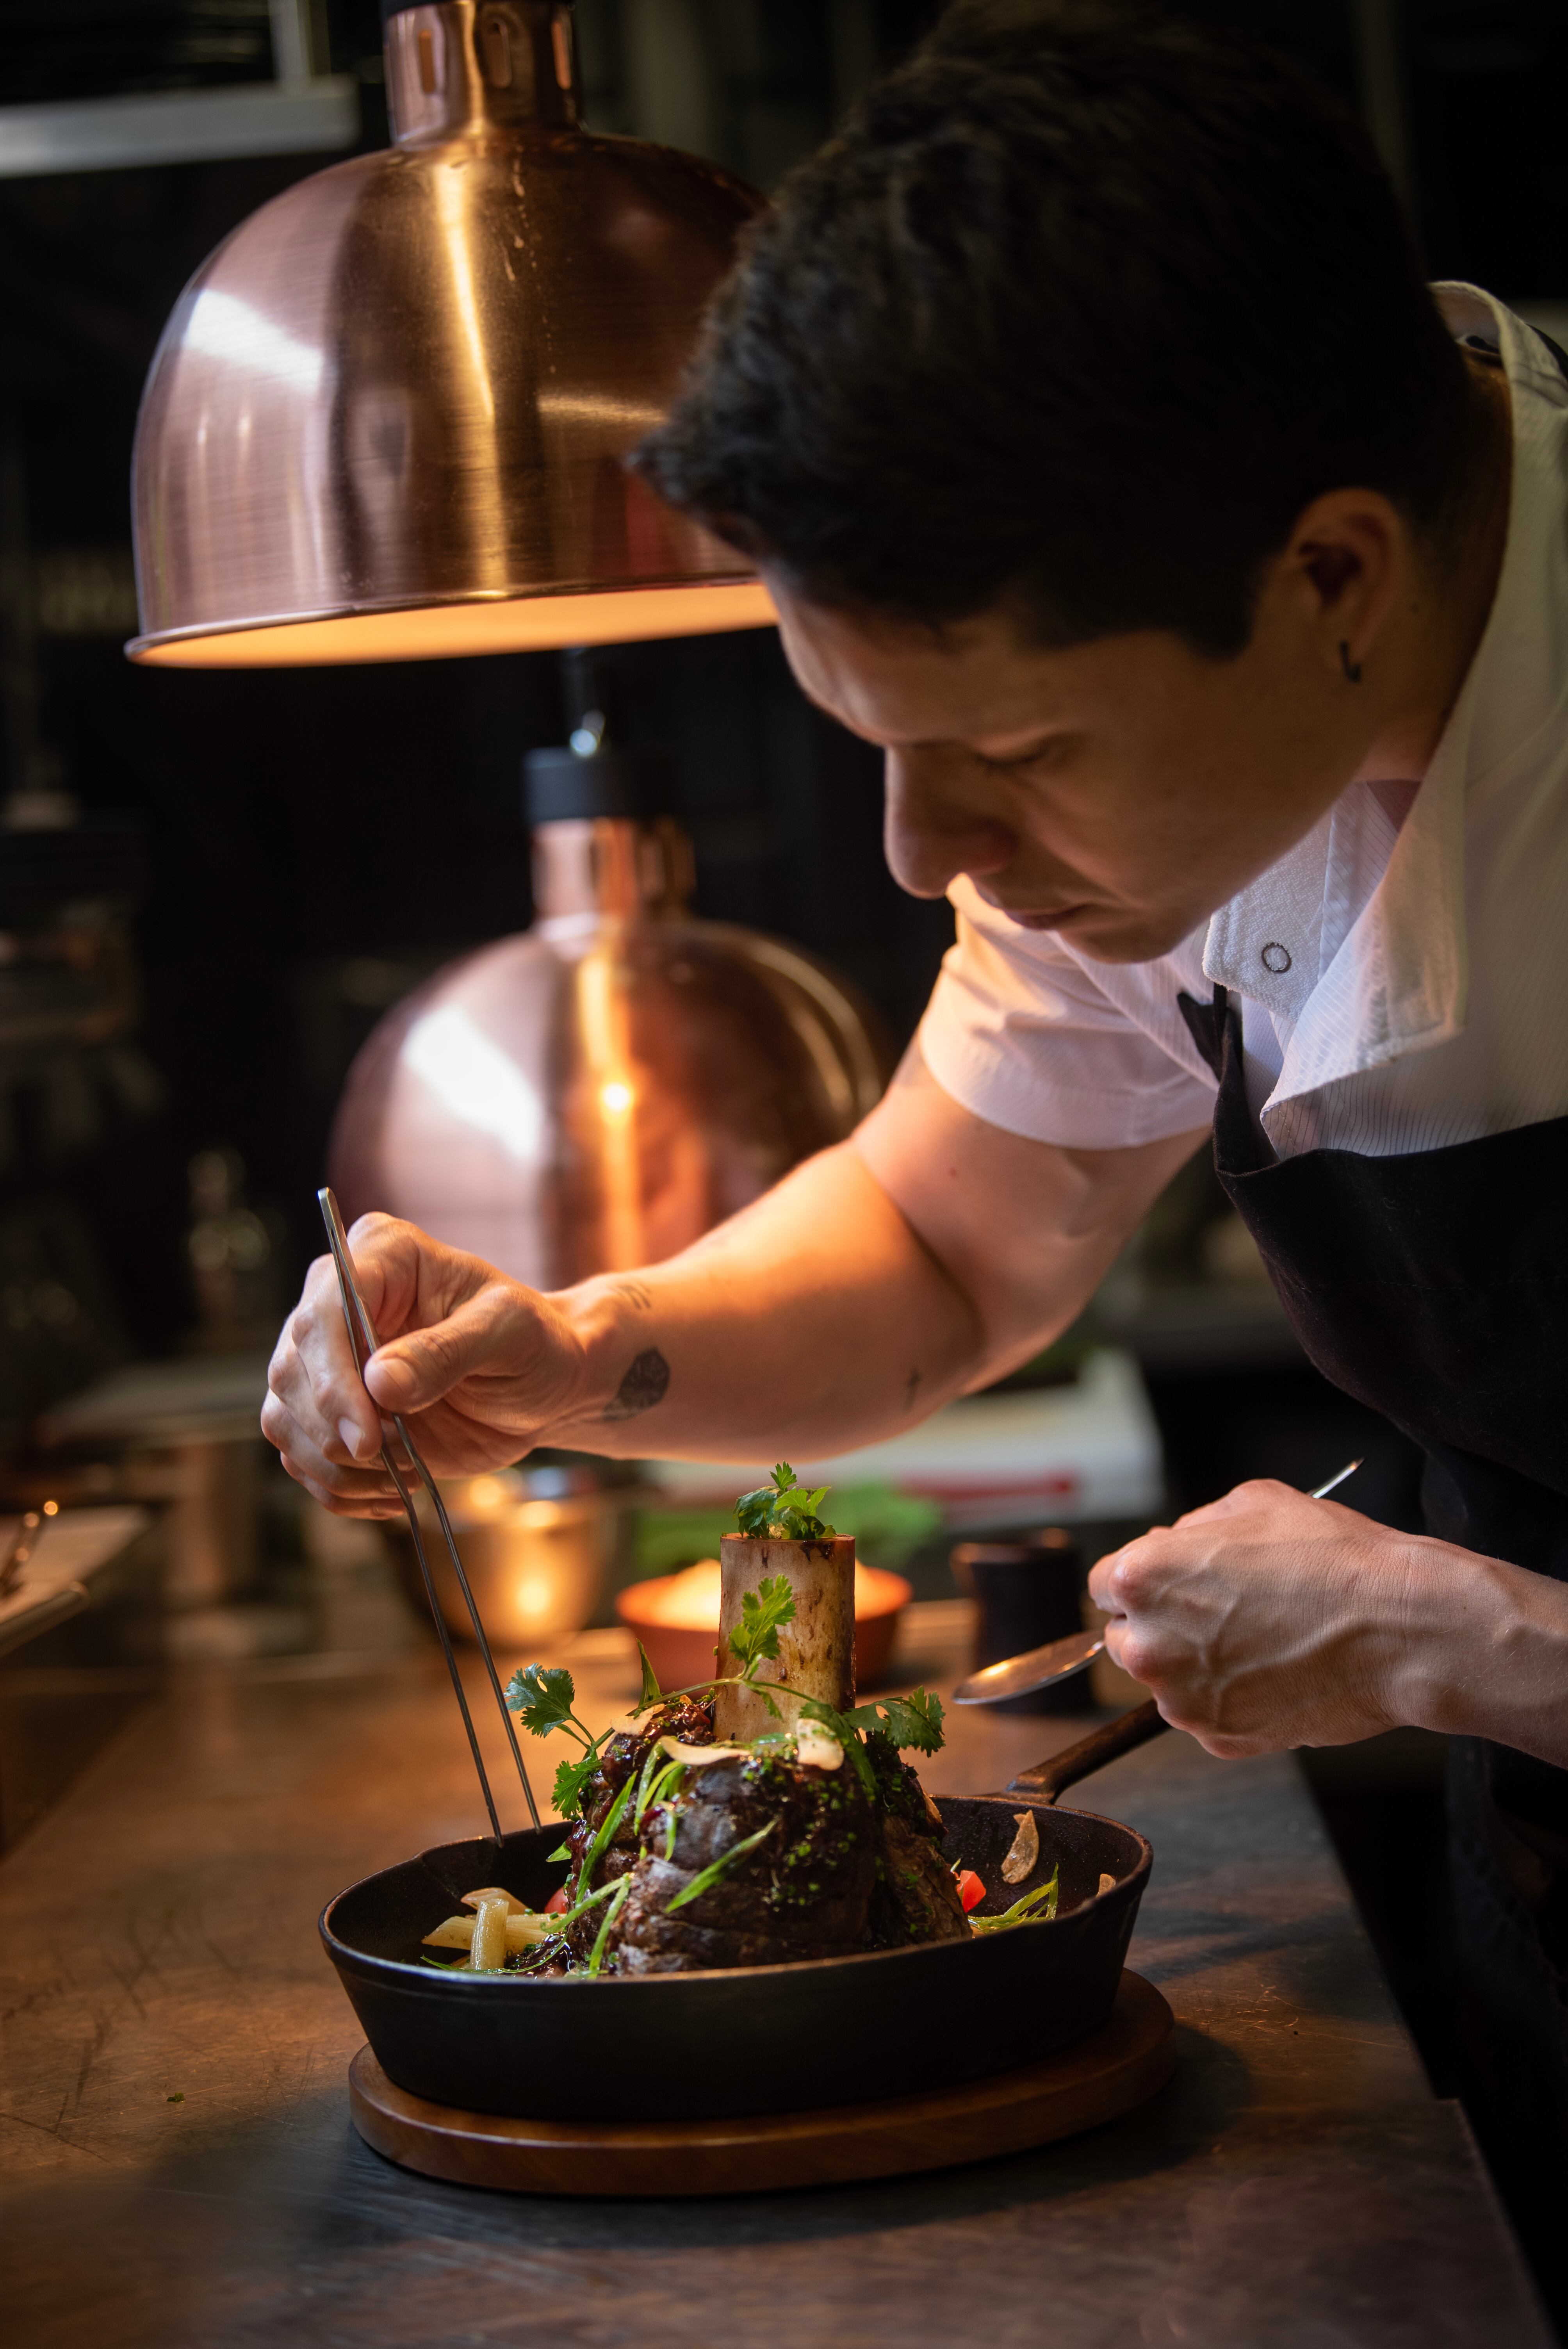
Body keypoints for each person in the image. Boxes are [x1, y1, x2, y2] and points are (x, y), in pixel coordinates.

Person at [264, 0, 1568, 2293]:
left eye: (1011, 751)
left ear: (1335, 576)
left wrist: (1468, 1641)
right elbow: (947, 1250)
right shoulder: (1189, 742)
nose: (914, 851)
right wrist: (585, 1350)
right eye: (864, 738)